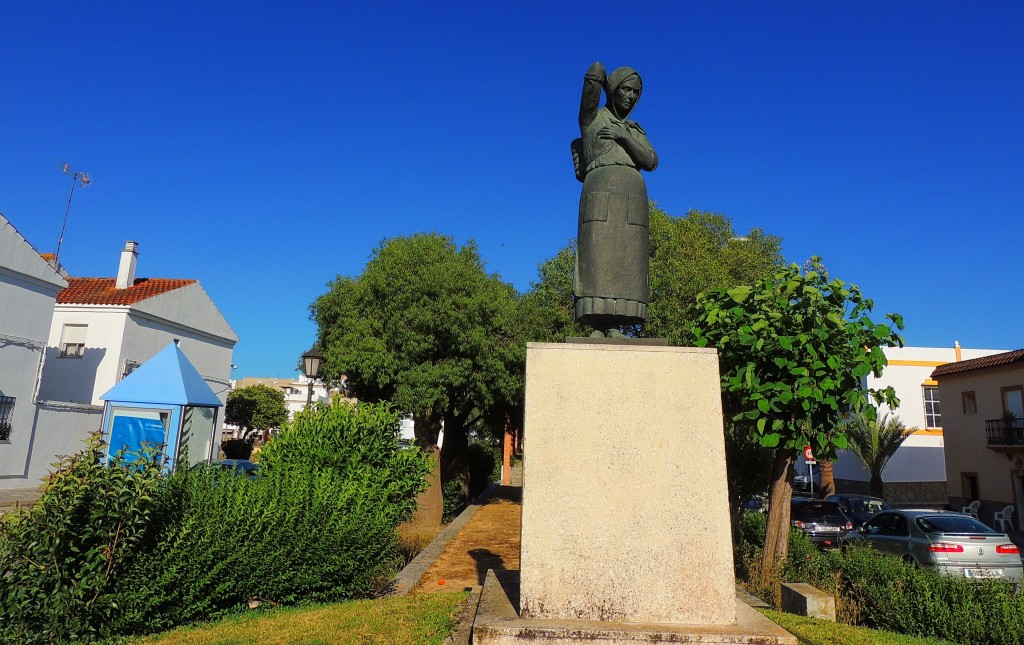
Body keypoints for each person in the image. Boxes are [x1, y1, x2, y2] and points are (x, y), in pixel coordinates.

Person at [573, 61, 658, 338]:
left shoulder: (635, 129)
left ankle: (615, 325)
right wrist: (594, 77)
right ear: (613, 91)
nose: (631, 96)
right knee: (597, 260)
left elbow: (651, 160)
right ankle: (597, 325)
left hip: (632, 200)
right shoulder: (594, 120)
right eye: (626, 90)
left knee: (628, 263)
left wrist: (624, 136)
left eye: (636, 92)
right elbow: (587, 103)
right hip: (600, 194)